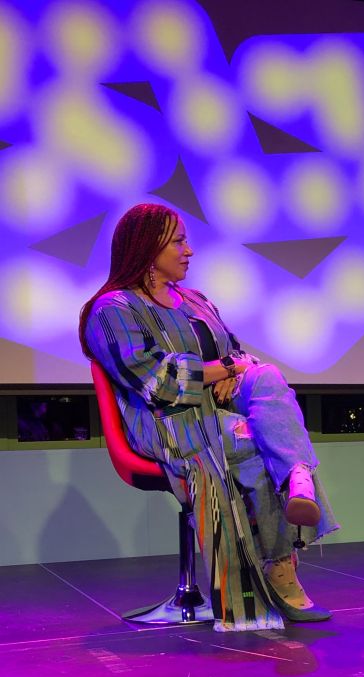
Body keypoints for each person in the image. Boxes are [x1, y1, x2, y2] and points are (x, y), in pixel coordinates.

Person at [80, 203, 338, 632]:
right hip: (166, 422)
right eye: (178, 241)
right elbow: (158, 382)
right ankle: (279, 569)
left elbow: (236, 351)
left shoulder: (195, 301)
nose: (189, 251)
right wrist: (224, 369)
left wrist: (233, 367)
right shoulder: (112, 310)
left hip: (218, 407)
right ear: (147, 247)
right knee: (255, 442)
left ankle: (297, 477)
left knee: (268, 375)